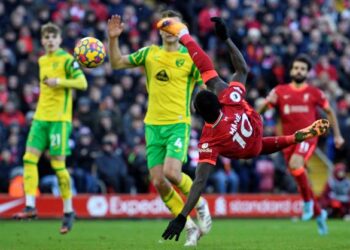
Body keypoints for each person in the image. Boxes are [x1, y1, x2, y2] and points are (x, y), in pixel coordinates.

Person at [157, 17, 330, 242]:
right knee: (262, 141)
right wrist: (223, 39)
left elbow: (199, 182)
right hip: (254, 128)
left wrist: (182, 216)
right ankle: (294, 139)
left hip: (249, 148)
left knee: (259, 147)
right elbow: (238, 68)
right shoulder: (229, 96)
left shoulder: (209, 140)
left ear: (199, 114)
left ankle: (294, 140)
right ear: (218, 100)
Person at [107, 10, 211, 246]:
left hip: (177, 124)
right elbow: (116, 63)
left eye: (175, 25)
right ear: (160, 29)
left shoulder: (190, 58)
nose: (170, 30)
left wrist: (207, 103)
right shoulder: (149, 53)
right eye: (166, 25)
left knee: (172, 173)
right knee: (159, 181)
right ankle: (190, 228)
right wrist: (113, 39)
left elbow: (207, 83)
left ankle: (201, 204)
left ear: (182, 29)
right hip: (152, 125)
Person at [13, 22, 88, 234]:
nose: (49, 40)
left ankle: (68, 211)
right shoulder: (42, 60)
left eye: (53, 37)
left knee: (58, 166)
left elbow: (82, 83)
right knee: (28, 159)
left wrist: (60, 81)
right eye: (46, 37)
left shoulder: (67, 60)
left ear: (60, 39)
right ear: (42, 40)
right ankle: (30, 206)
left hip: (59, 120)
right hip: (40, 118)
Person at [258, 55, 344, 225]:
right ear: (291, 70)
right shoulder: (280, 91)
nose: (299, 71)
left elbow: (330, 112)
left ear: (307, 72)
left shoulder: (314, 93)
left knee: (296, 165)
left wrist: (337, 135)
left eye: (303, 69)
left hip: (308, 137)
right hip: (288, 141)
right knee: (299, 178)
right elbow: (260, 111)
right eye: (296, 68)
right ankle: (319, 214)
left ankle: (307, 204)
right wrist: (267, 103)